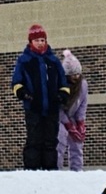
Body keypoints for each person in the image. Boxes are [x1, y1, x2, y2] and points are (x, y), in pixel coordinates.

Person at [11, 23, 70, 170]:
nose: (40, 43)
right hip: (33, 107)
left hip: (51, 108)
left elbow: (63, 83)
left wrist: (62, 94)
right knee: (34, 140)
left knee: (51, 141)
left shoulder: (54, 61)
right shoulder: (24, 61)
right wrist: (23, 93)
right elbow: (16, 82)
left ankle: (50, 171)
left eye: (42, 40)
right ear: (31, 42)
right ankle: (32, 171)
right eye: (37, 40)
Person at [57, 50, 88, 171]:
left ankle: (77, 170)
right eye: (72, 74)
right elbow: (57, 108)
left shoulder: (83, 85)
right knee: (60, 138)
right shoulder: (60, 85)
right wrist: (68, 125)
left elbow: (82, 104)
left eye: (77, 73)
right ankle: (56, 170)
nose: (76, 77)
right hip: (59, 118)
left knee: (77, 141)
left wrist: (80, 123)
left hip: (73, 116)